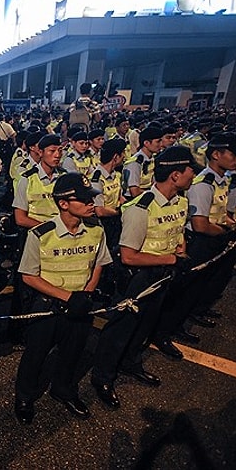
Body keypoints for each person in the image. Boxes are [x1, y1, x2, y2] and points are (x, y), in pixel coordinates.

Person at [90, 146, 196, 409]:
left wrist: (179, 248)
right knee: (121, 328)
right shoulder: (140, 207)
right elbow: (128, 256)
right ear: (175, 175)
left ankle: (131, 363)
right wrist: (172, 259)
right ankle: (103, 376)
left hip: (164, 273)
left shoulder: (181, 201)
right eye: (190, 169)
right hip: (140, 276)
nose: (194, 173)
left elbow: (177, 230)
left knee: (146, 324)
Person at [14, 172, 112, 424]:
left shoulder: (96, 230)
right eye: (85, 199)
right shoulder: (41, 234)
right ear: (63, 203)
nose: (92, 204)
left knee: (72, 352)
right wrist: (68, 297)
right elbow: (29, 276)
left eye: (91, 199)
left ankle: (63, 389)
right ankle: (24, 396)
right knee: (35, 355)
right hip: (49, 307)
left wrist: (87, 293)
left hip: (81, 305)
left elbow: (98, 264)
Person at [154, 134, 236, 356]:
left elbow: (221, 213)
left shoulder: (223, 180)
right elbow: (200, 224)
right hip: (202, 241)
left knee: (197, 288)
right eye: (233, 154)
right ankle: (163, 332)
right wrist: (226, 231)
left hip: (212, 238)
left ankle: (177, 325)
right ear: (216, 154)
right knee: (185, 290)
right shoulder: (203, 184)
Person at [91, 139, 126, 250]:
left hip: (116, 220)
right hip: (104, 224)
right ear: (115, 157)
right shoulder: (97, 179)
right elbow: (99, 210)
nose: (125, 156)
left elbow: (120, 197)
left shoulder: (117, 175)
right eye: (123, 153)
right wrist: (119, 212)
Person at [122, 127, 163, 200]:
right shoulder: (135, 163)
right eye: (158, 142)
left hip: (146, 195)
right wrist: (155, 194)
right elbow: (134, 191)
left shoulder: (152, 158)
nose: (161, 145)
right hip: (134, 200)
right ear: (146, 143)